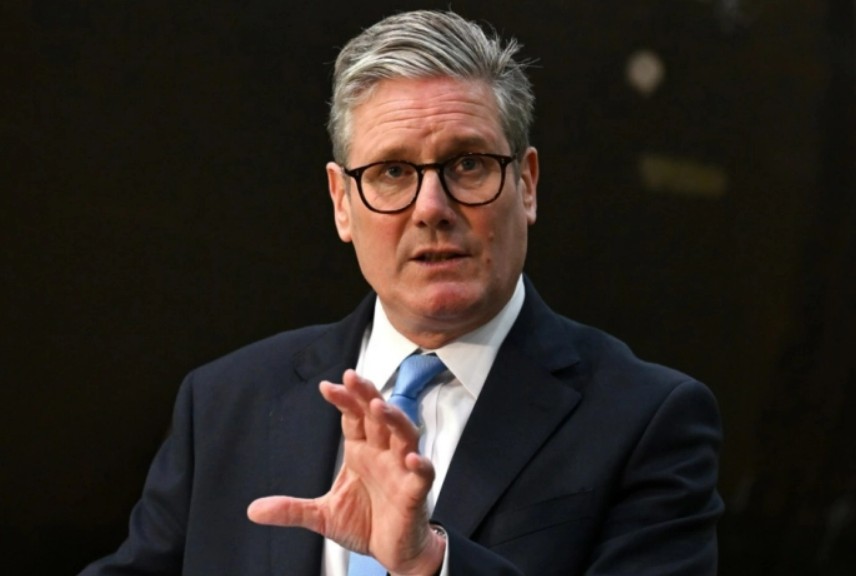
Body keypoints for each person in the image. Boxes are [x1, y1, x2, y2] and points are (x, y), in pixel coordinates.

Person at [79, 9, 723, 576]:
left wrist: (428, 564)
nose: (432, 207)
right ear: (341, 201)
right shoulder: (225, 403)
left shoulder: (646, 420)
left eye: (468, 164)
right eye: (392, 171)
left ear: (526, 185)